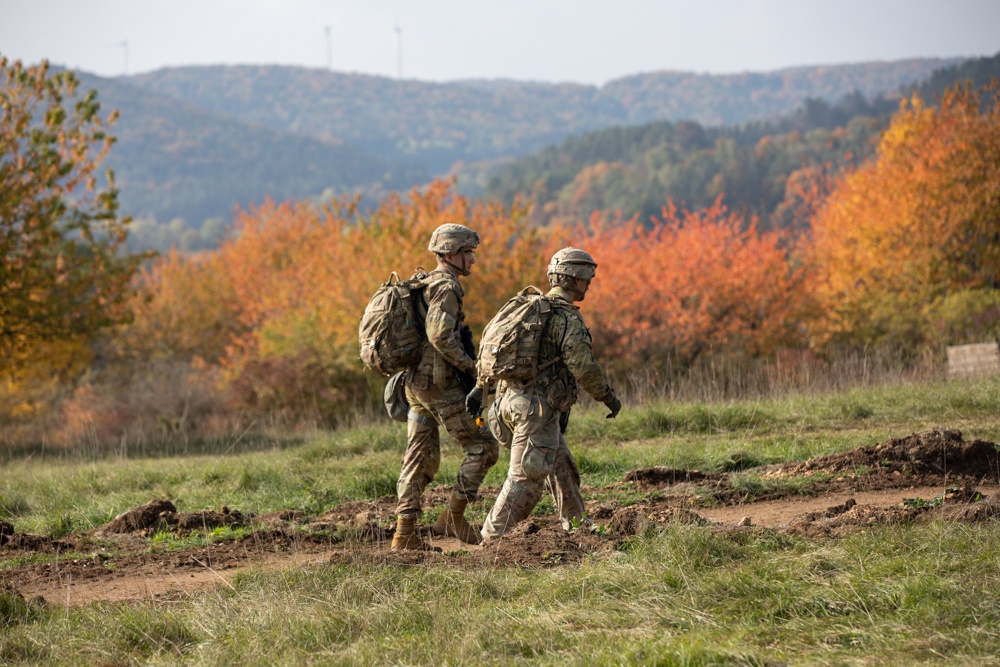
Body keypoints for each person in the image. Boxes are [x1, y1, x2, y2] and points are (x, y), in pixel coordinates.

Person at [468, 247, 621, 541]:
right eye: (587, 278)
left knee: (561, 466)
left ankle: (578, 528)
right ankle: (493, 540)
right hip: (534, 411)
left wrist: (481, 389)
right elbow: (584, 366)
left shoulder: (525, 308)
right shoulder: (566, 319)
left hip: (506, 405)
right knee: (526, 479)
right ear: (575, 278)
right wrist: (608, 397)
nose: (589, 284)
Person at [391, 223, 499, 551]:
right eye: (468, 253)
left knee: (418, 455)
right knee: (484, 446)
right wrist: (472, 366)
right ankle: (453, 515)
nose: (473, 260)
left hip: (416, 386)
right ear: (451, 254)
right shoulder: (446, 287)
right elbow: (440, 335)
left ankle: (404, 533)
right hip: (438, 385)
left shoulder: (424, 281)